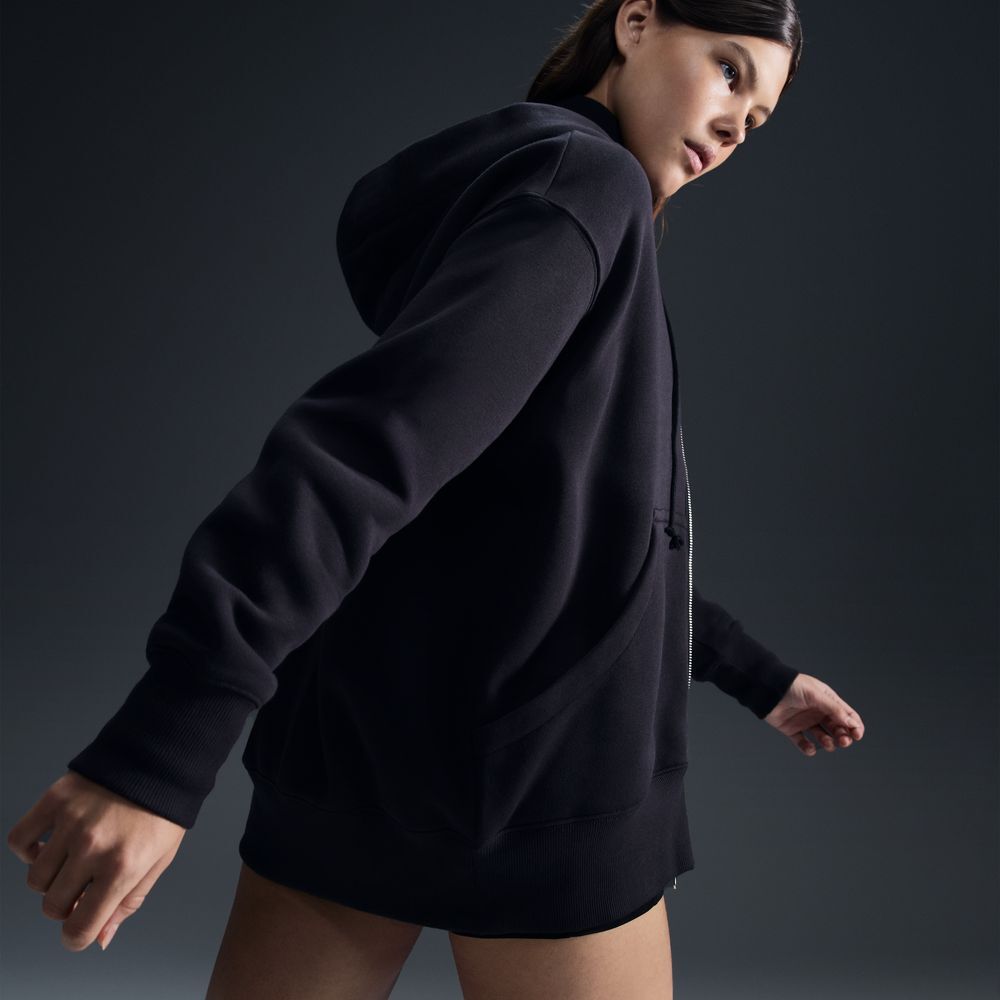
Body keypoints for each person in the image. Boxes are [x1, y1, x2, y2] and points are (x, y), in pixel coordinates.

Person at [7, 1, 866, 997]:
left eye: (756, 119)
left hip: (356, 754)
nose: (732, 125)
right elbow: (362, 454)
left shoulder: (536, 193)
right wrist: (160, 749)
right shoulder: (588, 188)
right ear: (636, 21)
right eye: (727, 70)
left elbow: (566, 522)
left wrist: (756, 675)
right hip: (537, 784)